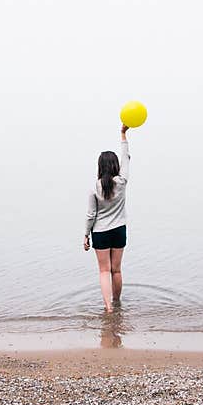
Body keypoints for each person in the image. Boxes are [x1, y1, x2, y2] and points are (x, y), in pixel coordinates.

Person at [84, 124, 131, 313]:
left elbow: (91, 215)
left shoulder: (94, 188)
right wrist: (123, 134)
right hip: (119, 230)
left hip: (100, 232)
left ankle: (109, 307)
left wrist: (86, 235)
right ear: (115, 166)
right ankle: (118, 302)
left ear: (99, 167)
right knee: (116, 270)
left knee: (104, 271)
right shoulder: (122, 182)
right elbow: (126, 158)